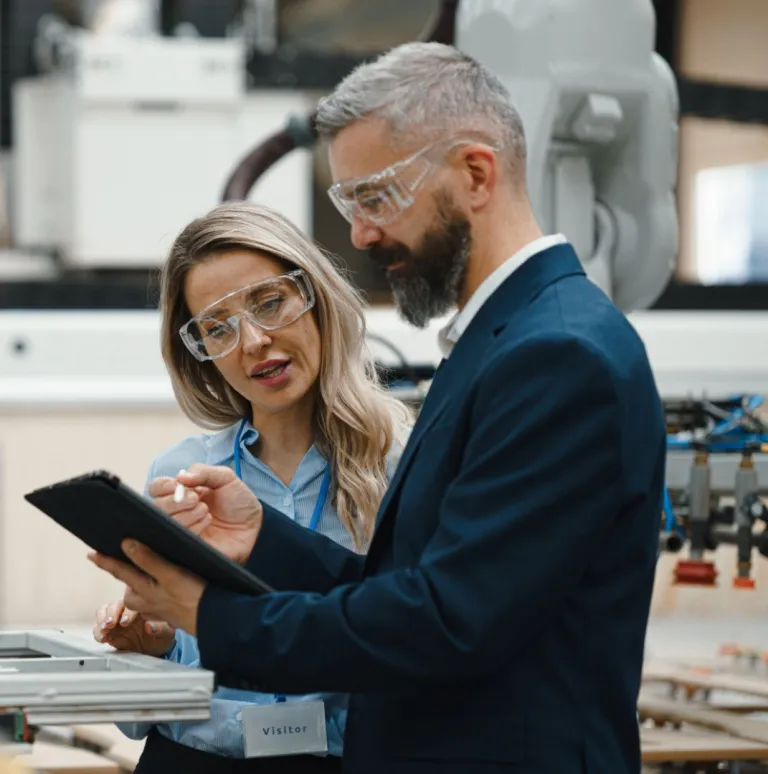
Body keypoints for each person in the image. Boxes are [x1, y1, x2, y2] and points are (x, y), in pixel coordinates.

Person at [89, 42, 667, 774]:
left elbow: (445, 621)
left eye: (375, 197)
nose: (360, 234)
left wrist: (213, 615)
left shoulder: (556, 355)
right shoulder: (503, 340)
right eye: (348, 204)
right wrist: (264, 536)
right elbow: (411, 590)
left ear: (475, 173)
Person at [91, 201, 411, 773]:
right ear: (201, 355)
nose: (253, 341)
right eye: (217, 327)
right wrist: (156, 650)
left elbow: (419, 653)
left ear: (316, 298)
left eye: (269, 303)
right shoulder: (181, 474)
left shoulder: (401, 462)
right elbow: (138, 719)